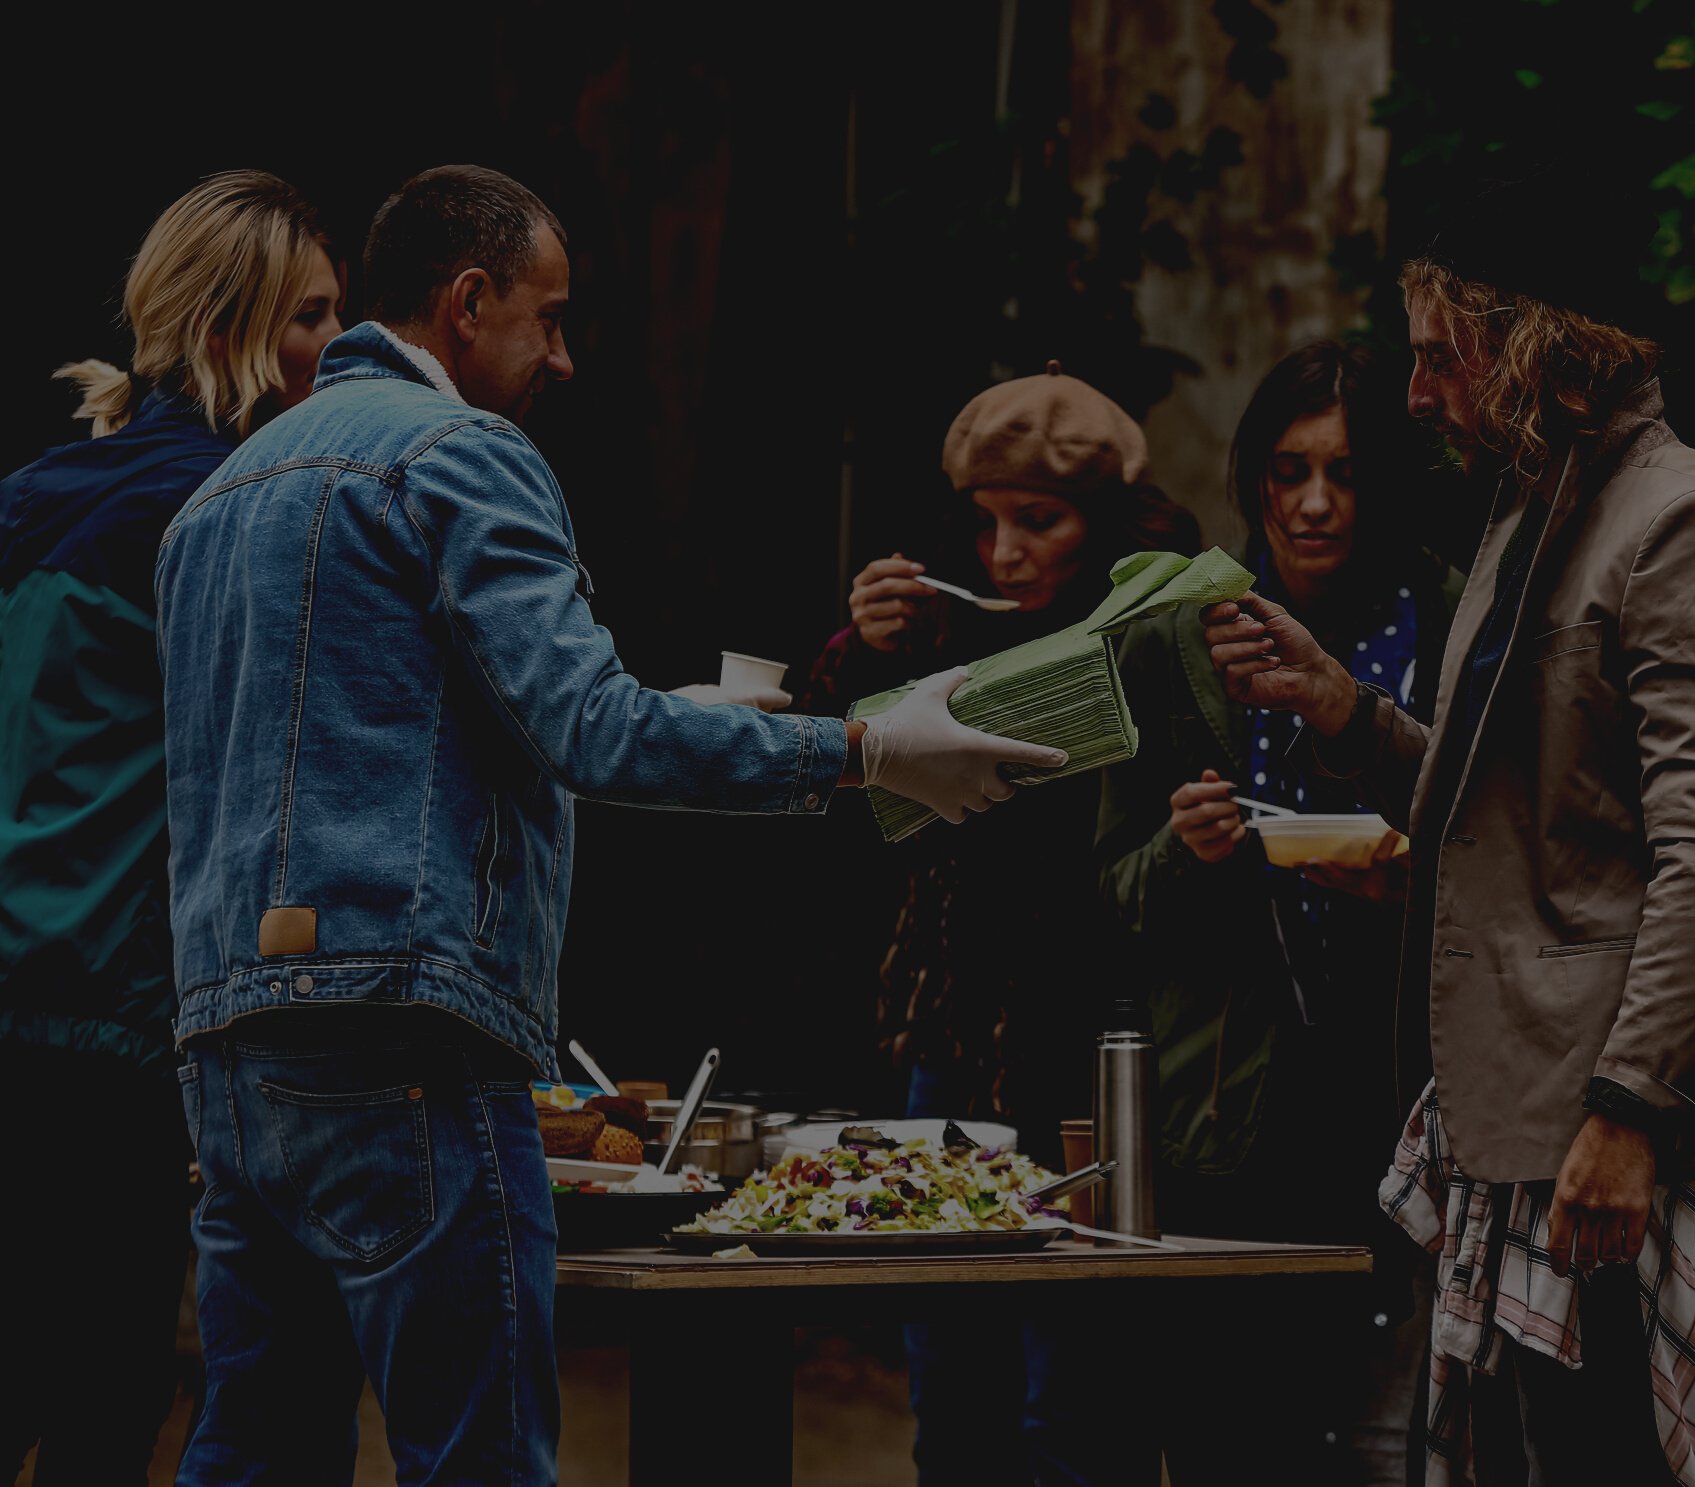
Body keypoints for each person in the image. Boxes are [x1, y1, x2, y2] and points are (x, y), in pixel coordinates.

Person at [154, 164, 1062, 1484]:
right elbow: (594, 726)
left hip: (227, 1042)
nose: (565, 356)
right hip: (406, 1026)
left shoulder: (215, 498)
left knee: (254, 1457)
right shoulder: (464, 453)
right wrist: (866, 749)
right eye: (550, 316)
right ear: (468, 304)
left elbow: (337, 747)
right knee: (476, 1460)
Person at [1203, 197, 1695, 1484]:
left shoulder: (1677, 522)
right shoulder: (1534, 512)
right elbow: (1508, 813)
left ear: (1528, 344)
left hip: (1605, 1121)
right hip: (1521, 1105)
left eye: (1437, 354)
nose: (1414, 395)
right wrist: (1345, 712)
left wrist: (1626, 1111)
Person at [793, 361, 1196, 1487]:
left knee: (1070, 1391)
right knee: (947, 1373)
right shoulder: (936, 639)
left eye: (1040, 520)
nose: (1006, 551)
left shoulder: (1151, 635)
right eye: (986, 523)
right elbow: (849, 796)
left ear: (1102, 526)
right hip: (948, 1040)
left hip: (1086, 1050)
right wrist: (868, 648)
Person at [0, 171, 342, 1483]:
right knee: (100, 1380)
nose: (334, 349)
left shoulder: (41, 488)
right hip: (117, 1000)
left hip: (22, 979)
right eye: (310, 316)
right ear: (226, 332)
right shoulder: (225, 507)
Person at [1095, 340, 1460, 1483]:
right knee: (1219, 1439)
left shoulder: (1453, 627)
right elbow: (1107, 893)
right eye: (1289, 469)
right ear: (1253, 477)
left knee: (1380, 1444)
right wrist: (1183, 846)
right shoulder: (1172, 634)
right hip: (1222, 1119)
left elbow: (1513, 877)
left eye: (1346, 474)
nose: (1313, 502)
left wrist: (1405, 886)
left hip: (1404, 1106)